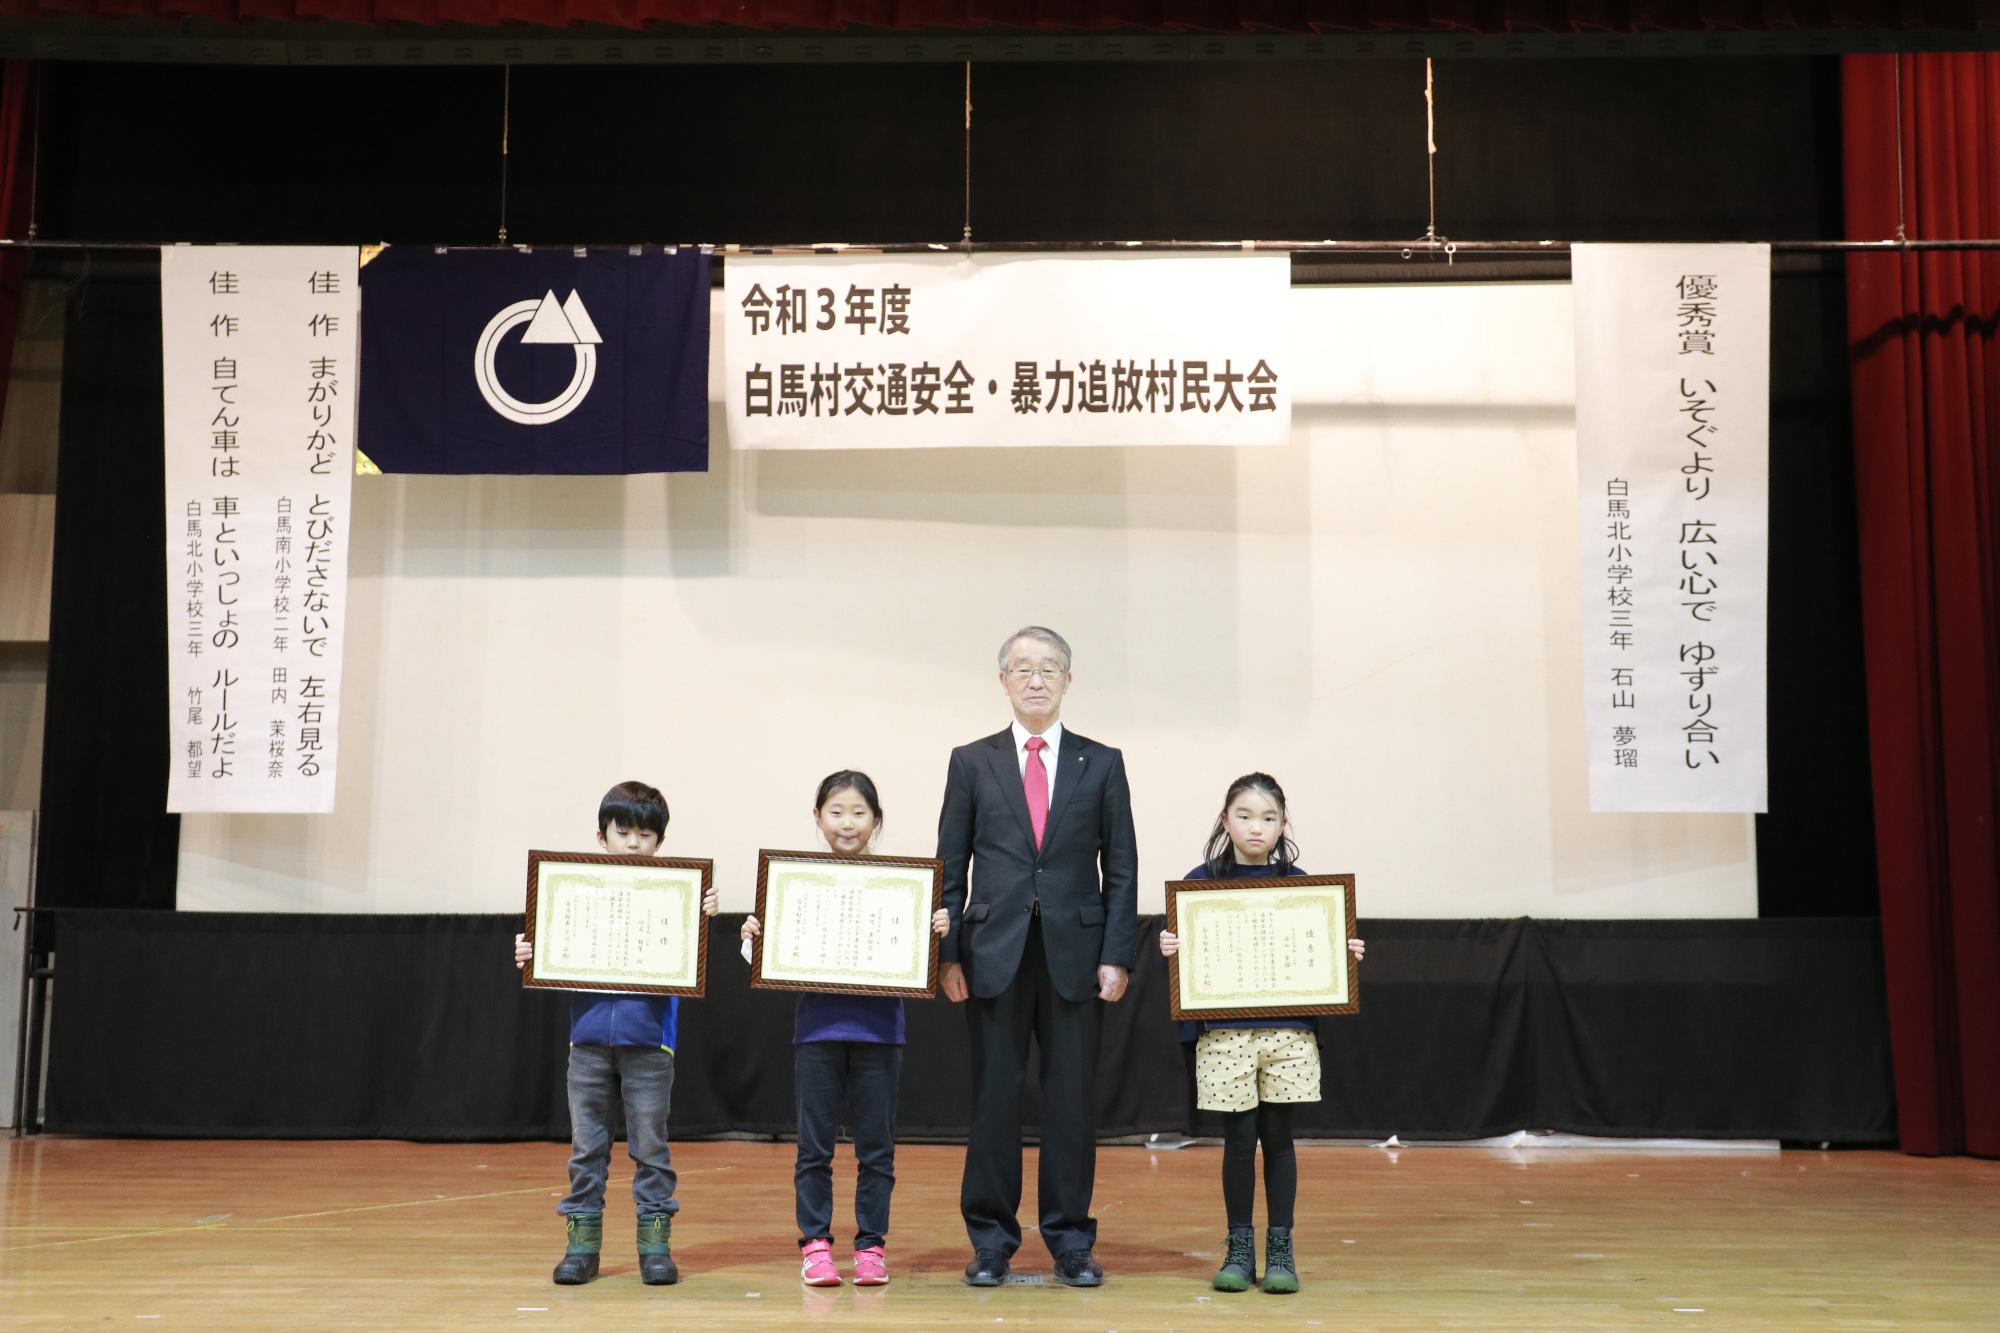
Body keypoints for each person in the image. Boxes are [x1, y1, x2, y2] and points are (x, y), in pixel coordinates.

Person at [936, 625, 1138, 1288]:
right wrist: (949, 954)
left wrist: (1117, 952)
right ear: (1003, 681)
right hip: (992, 952)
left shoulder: (1101, 761)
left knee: (1072, 1104)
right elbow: (951, 864)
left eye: (1048, 667)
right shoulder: (971, 760)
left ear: (1068, 680)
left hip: (1077, 954)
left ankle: (1070, 1239)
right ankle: (991, 1239)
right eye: (1022, 667)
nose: (1035, 678)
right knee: (994, 1102)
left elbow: (1123, 867)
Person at [739, 770, 952, 1287]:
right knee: (815, 1147)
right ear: (817, 818)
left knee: (876, 1148)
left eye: (859, 813)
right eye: (836, 812)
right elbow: (763, 960)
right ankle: (814, 1244)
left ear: (876, 820)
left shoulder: (904, 886)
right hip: (817, 1031)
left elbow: (918, 958)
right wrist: (755, 937)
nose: (848, 823)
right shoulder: (795, 882)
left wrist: (935, 933)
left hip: (880, 1032)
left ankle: (871, 1247)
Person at [1158, 772, 1366, 1295]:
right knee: (1236, 1143)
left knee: (1278, 1141)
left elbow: (1319, 956)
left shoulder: (1303, 887)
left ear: (1283, 824)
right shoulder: (1198, 883)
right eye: (1245, 815)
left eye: (1269, 817)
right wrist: (1171, 947)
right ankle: (1238, 1247)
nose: (1257, 827)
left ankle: (1281, 1248)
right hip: (1224, 1033)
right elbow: (1189, 959)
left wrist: (1343, 956)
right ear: (1225, 820)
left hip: (1288, 1034)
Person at [511, 780, 719, 1287]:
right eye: (622, 831)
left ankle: (654, 1249)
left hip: (651, 1043)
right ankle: (581, 1249)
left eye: (644, 834)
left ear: (659, 843)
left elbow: (690, 954)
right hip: (586, 1043)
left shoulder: (678, 894)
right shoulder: (573, 891)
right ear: (600, 837)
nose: (632, 843)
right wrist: (531, 954)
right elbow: (552, 951)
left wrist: (700, 914)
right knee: (587, 1149)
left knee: (651, 1148)